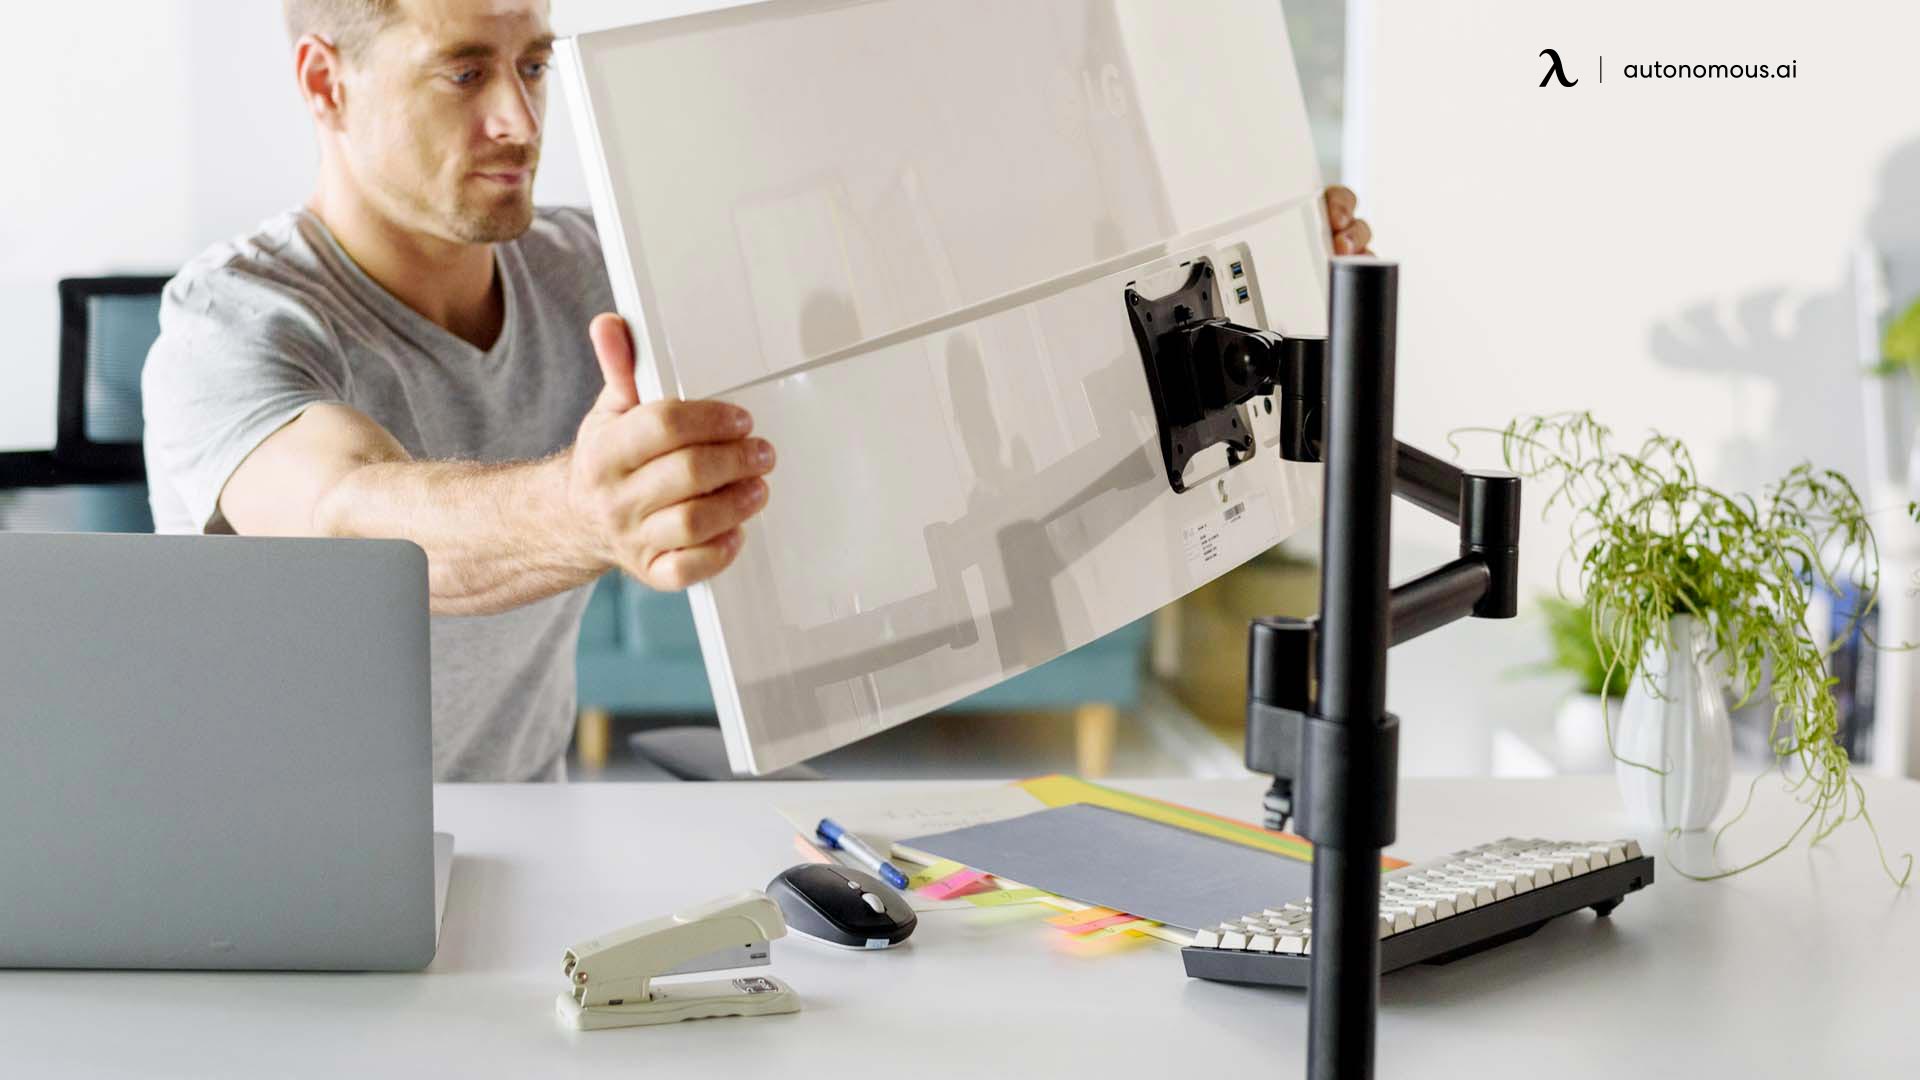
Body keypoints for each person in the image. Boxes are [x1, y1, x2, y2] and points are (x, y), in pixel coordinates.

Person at [141, 0, 1375, 782]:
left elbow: (947, 302)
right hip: (272, 873)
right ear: (324, 82)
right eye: (463, 72)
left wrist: (1259, 247)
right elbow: (344, 518)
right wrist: (581, 513)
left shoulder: (579, 265)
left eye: (534, 61)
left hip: (532, 825)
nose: (520, 116)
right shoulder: (233, 322)